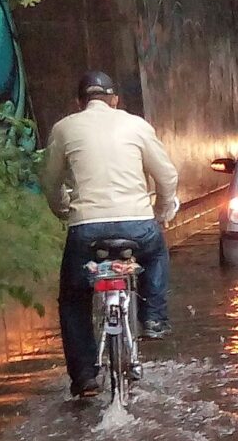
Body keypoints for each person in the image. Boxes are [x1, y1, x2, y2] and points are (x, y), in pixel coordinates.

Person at [41, 70, 180, 398]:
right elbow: (167, 175)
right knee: (157, 253)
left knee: (74, 299)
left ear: (79, 103)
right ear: (115, 100)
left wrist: (63, 209)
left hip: (86, 229)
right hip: (137, 225)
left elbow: (50, 180)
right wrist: (160, 212)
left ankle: (85, 377)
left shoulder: (64, 128)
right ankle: (154, 318)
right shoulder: (136, 125)